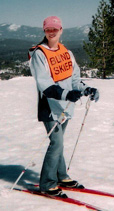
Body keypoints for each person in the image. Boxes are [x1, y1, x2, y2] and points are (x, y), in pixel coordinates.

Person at [28, 16, 99, 197]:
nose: (52, 32)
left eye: (55, 29)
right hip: (50, 106)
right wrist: (67, 94)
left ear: (61, 30)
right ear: (44, 31)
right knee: (56, 143)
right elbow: (45, 84)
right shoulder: (39, 53)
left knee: (58, 144)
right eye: (48, 30)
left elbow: (74, 79)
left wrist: (86, 89)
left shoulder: (66, 52)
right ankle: (47, 184)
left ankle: (61, 176)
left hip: (66, 107)